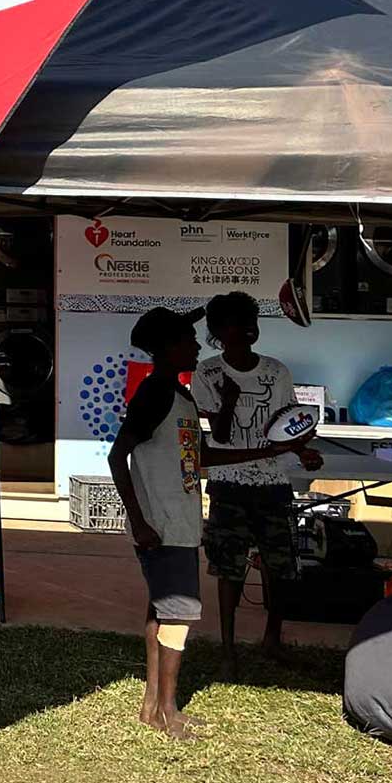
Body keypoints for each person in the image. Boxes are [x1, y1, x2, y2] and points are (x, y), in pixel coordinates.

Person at [107, 307, 316, 740]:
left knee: (161, 610)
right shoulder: (155, 393)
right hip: (162, 523)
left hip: (177, 519)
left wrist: (276, 451)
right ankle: (168, 710)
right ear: (167, 348)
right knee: (179, 613)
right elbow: (117, 455)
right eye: (188, 338)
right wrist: (139, 520)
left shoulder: (179, 395)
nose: (198, 344)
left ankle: (153, 707)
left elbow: (203, 457)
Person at [190, 290, 318, 673]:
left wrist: (302, 450)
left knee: (279, 565)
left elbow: (288, 426)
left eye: (252, 322)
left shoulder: (276, 371)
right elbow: (221, 436)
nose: (248, 329)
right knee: (228, 567)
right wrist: (228, 401)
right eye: (237, 323)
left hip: (274, 482)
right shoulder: (208, 372)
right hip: (228, 484)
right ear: (218, 331)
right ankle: (228, 648)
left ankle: (272, 640)